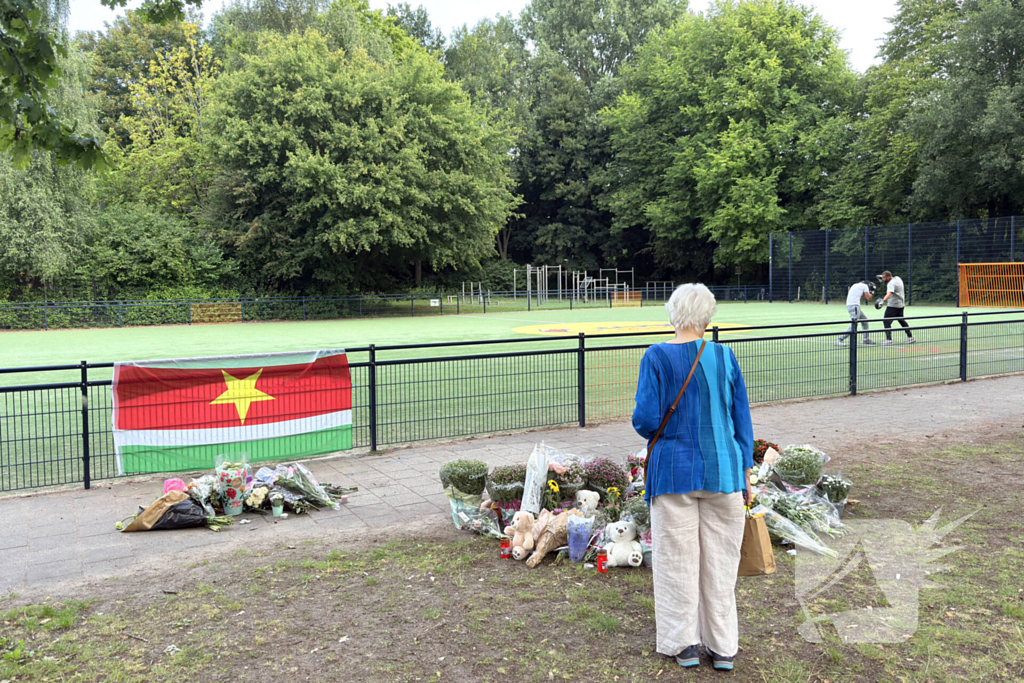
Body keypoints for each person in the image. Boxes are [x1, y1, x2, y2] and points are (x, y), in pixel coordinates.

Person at [632, 283, 753, 672]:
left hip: (673, 472)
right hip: (724, 469)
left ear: (672, 314)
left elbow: (646, 420)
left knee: (676, 561)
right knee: (721, 563)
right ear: (707, 317)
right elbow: (741, 421)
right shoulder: (725, 356)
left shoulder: (656, 357)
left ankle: (682, 643)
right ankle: (723, 648)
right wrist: (747, 472)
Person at [877, 270, 916, 345]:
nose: (883, 279)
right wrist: (883, 278)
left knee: (886, 321)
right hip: (900, 305)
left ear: (888, 277)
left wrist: (883, 300)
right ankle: (910, 337)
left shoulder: (891, 284)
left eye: (884, 278)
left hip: (893, 305)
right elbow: (889, 281)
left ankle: (889, 340)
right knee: (901, 320)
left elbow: (889, 293)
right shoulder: (898, 278)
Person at [835, 280, 877, 346]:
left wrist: (866, 292)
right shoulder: (865, 286)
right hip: (854, 306)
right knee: (854, 324)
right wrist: (872, 291)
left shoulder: (856, 285)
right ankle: (839, 340)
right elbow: (869, 298)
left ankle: (865, 340)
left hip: (852, 305)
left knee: (865, 320)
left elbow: (862, 298)